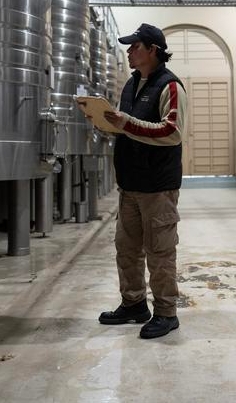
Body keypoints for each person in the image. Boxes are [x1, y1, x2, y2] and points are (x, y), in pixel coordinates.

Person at [97, 23, 187, 339]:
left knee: (159, 252)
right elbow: (129, 128)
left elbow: (172, 131)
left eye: (135, 46)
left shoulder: (170, 85)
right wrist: (106, 123)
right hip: (130, 185)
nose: (129, 51)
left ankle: (166, 312)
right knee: (127, 249)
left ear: (153, 49)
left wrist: (127, 123)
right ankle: (134, 304)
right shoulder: (131, 84)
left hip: (158, 186)